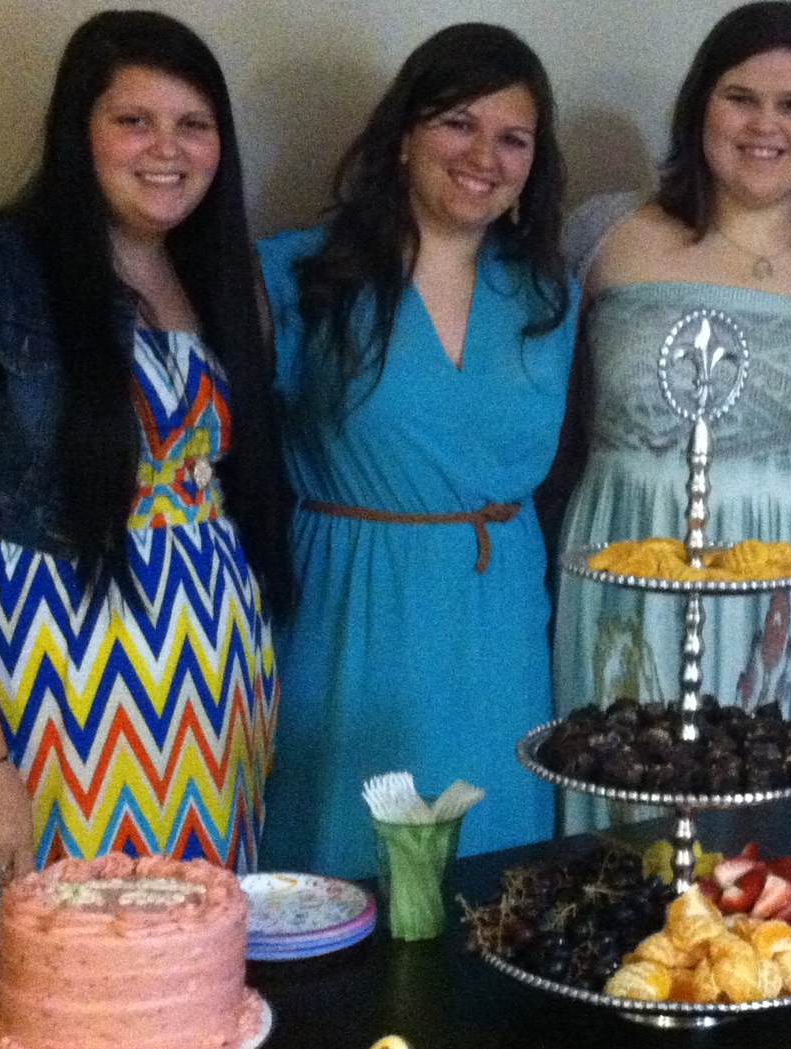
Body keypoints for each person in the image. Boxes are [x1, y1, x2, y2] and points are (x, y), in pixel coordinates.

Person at [0, 10, 290, 960]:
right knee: (40, 966)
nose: (168, 150)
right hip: (43, 696)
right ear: (77, 132)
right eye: (133, 121)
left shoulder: (224, 277)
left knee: (191, 968)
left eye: (194, 125)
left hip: (214, 695)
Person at [547, 1, 791, 832]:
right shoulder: (606, 234)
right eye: (740, 98)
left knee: (774, 857)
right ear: (698, 106)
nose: (764, 125)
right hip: (629, 576)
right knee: (622, 834)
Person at [256, 23, 576, 875]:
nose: (483, 156)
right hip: (350, 608)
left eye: (512, 138)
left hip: (500, 616)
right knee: (340, 858)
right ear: (403, 135)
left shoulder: (549, 292)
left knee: (494, 865)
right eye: (457, 123)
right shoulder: (298, 275)